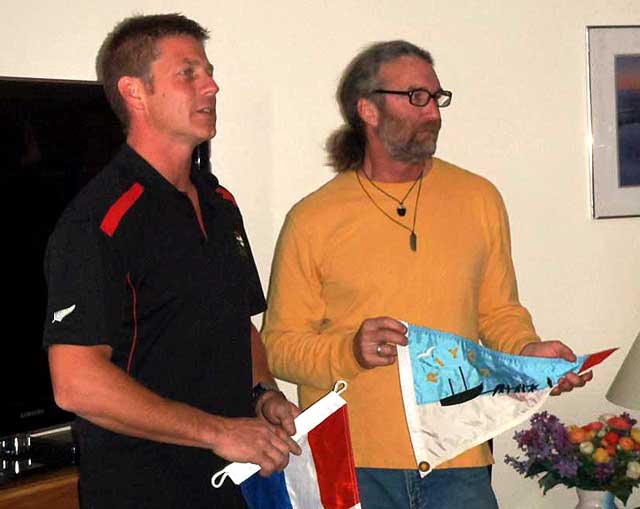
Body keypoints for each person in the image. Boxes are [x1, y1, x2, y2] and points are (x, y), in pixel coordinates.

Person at [261, 40, 592, 509]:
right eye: (416, 97)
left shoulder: (478, 198)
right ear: (368, 111)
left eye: (437, 98)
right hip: (353, 465)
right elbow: (278, 346)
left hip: (460, 456)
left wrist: (527, 352)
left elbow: (498, 312)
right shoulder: (313, 219)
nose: (433, 112)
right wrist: (349, 349)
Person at [43, 13, 300, 509]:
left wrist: (262, 394)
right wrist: (218, 431)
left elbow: (236, 324)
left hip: (231, 481)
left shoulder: (219, 203)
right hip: (143, 488)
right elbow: (75, 383)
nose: (212, 85)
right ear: (134, 92)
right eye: (189, 73)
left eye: (209, 71)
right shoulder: (98, 220)